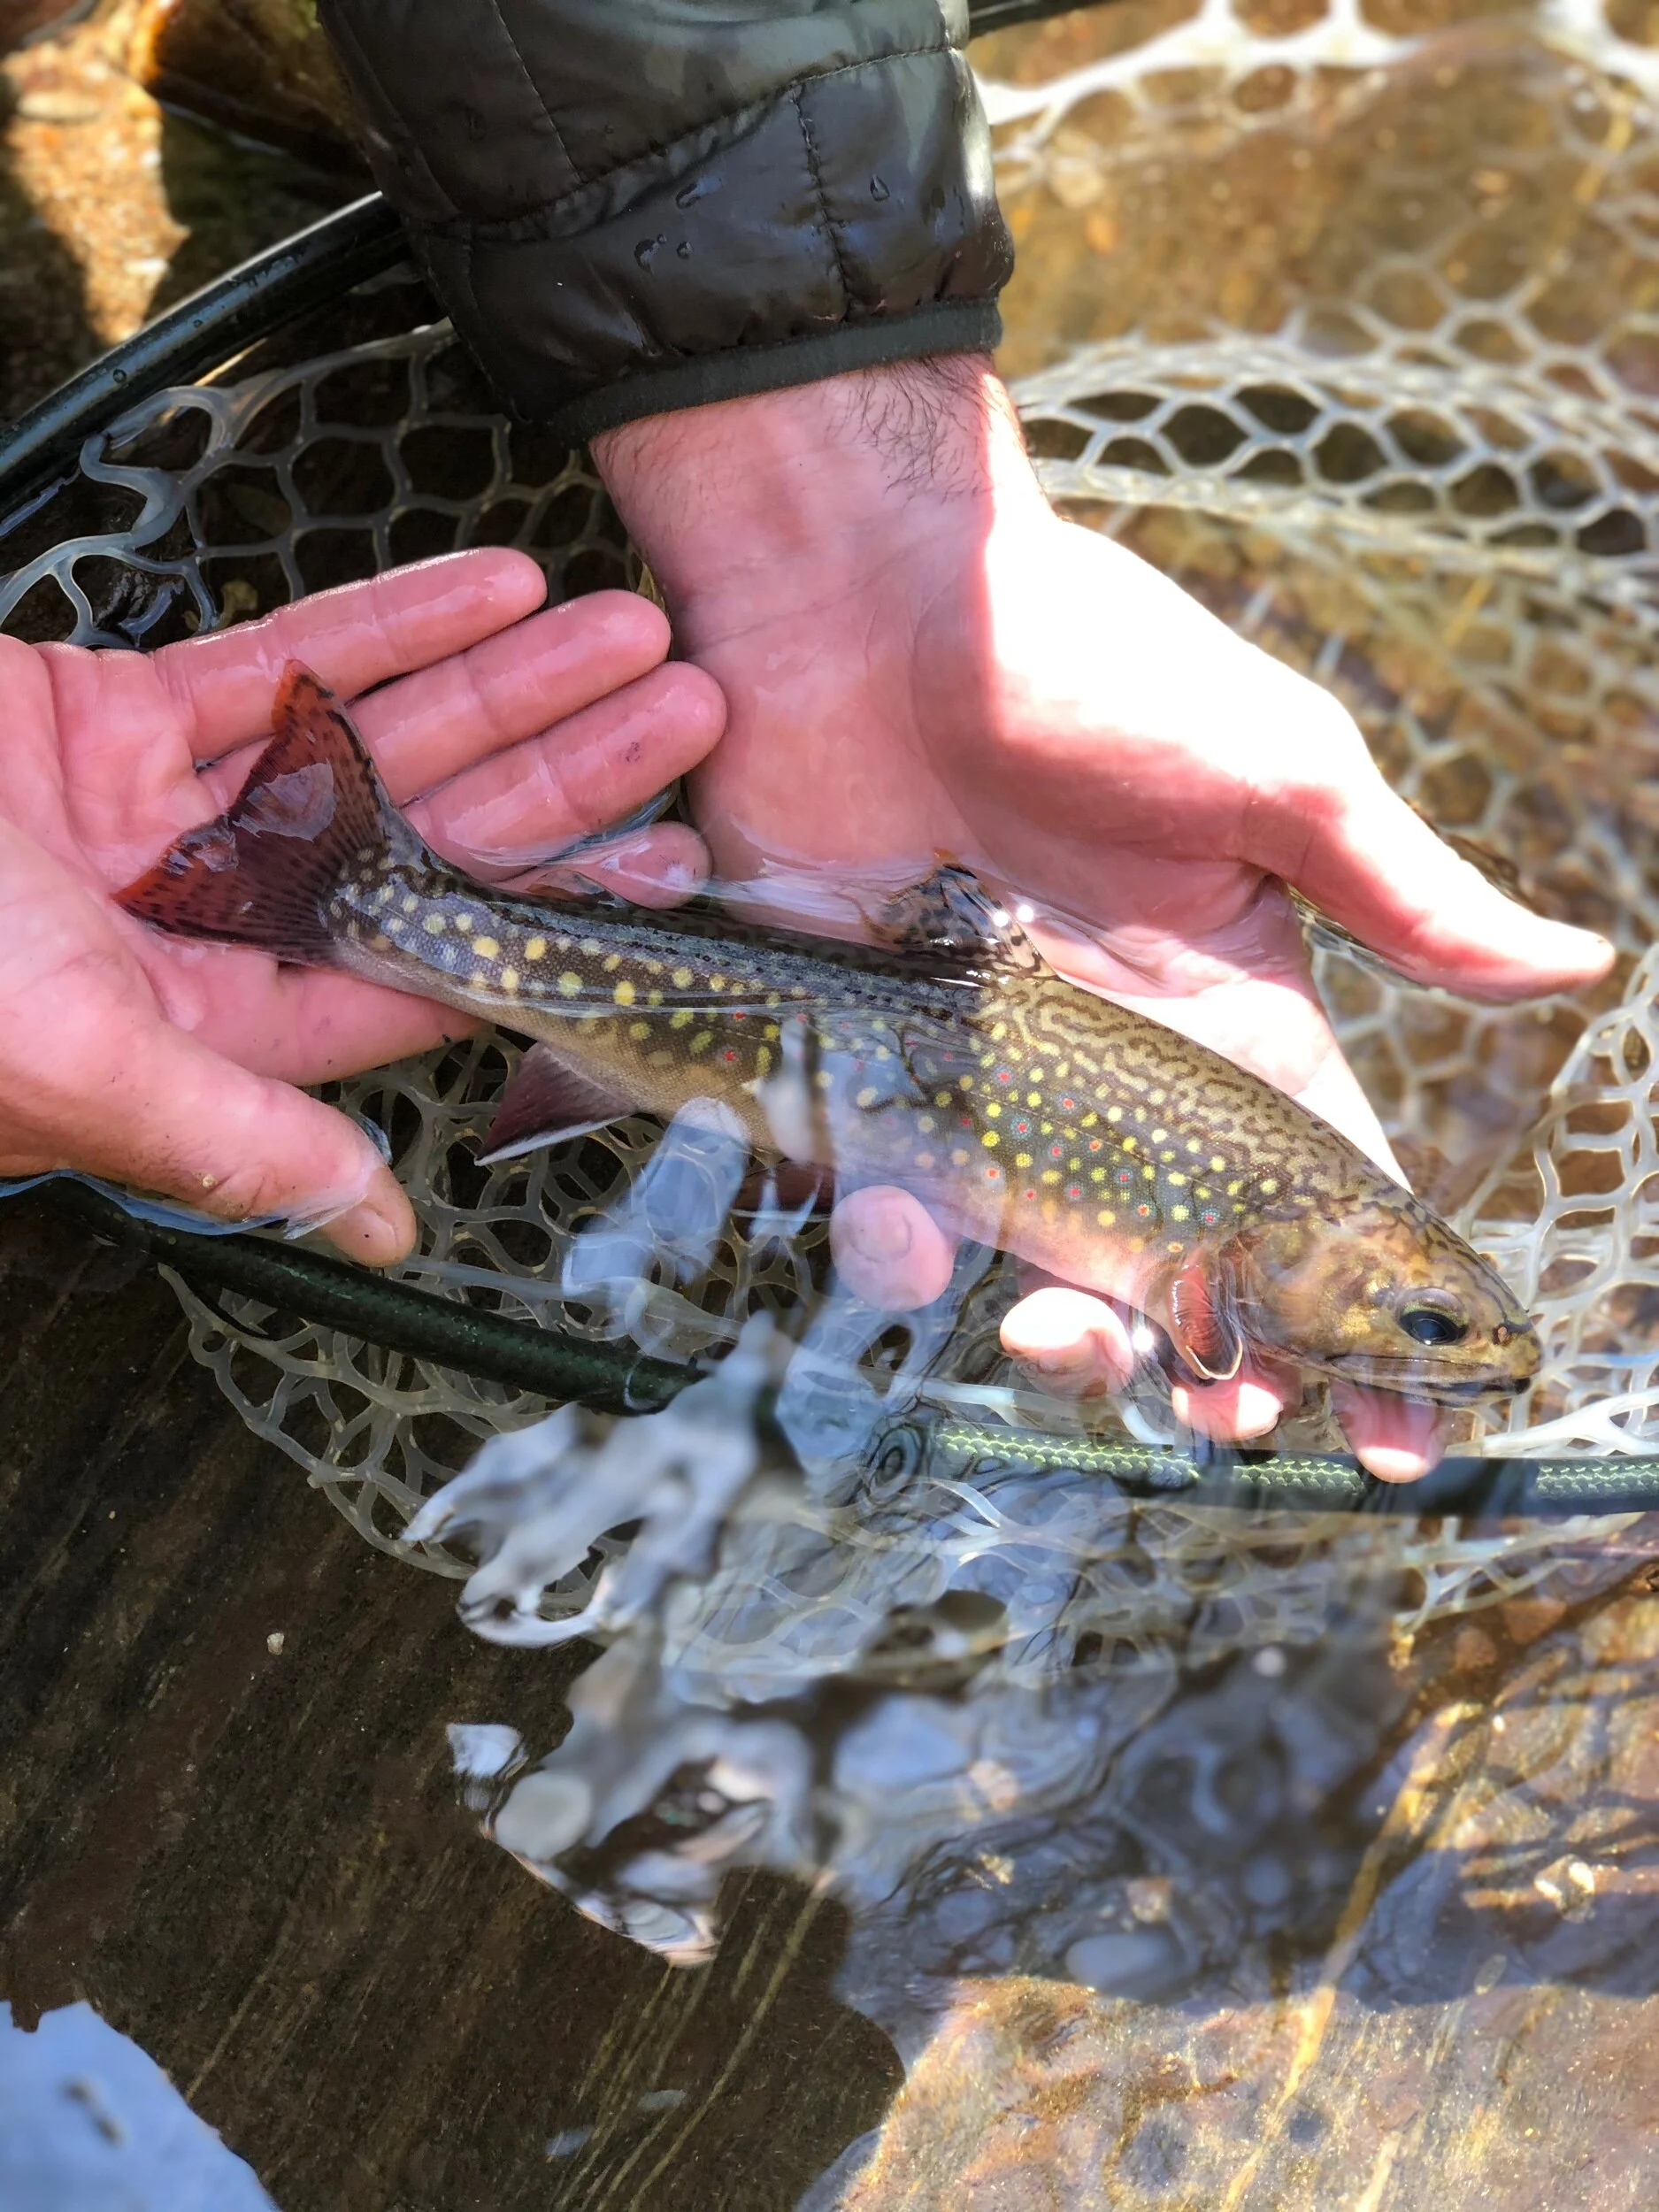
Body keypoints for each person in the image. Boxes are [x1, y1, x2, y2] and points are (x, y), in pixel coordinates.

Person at [0, 1, 1610, 1479]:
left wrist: (858, 519)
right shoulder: (1236, 1271)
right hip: (789, 1001)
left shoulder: (1261, 1236)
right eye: (1432, 1329)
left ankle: (355, 893)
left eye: (1442, 1333)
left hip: (798, 997)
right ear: (1298, 1268)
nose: (1467, 1357)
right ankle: (347, 895)